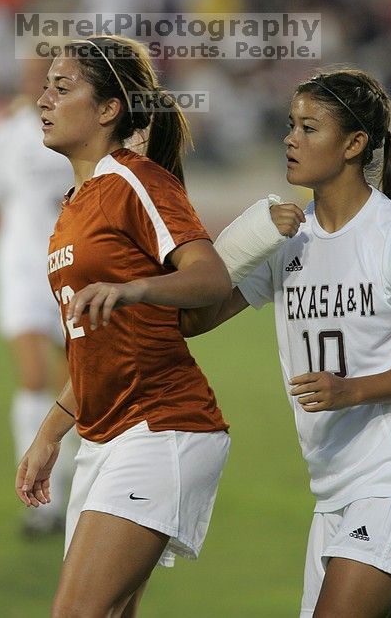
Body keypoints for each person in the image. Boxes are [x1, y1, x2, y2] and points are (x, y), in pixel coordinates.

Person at [14, 34, 239, 618]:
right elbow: (97, 346)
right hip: (104, 435)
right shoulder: (74, 205)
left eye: (63, 88)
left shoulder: (136, 182)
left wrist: (133, 288)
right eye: (45, 86)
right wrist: (48, 434)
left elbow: (210, 276)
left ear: (110, 109)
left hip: (161, 424)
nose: (45, 98)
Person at [181, 68, 391, 617]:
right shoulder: (286, 239)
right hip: (332, 491)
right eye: (289, 125)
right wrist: (243, 240)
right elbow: (194, 319)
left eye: (309, 127)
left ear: (354, 144)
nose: (290, 139)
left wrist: (352, 391)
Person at [0, 58, 76, 537]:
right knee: (32, 376)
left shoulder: (79, 132)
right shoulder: (6, 135)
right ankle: (39, 503)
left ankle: (67, 488)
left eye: (49, 80)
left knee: (79, 387)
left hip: (72, 269)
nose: (39, 87)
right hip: (22, 271)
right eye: (32, 78)